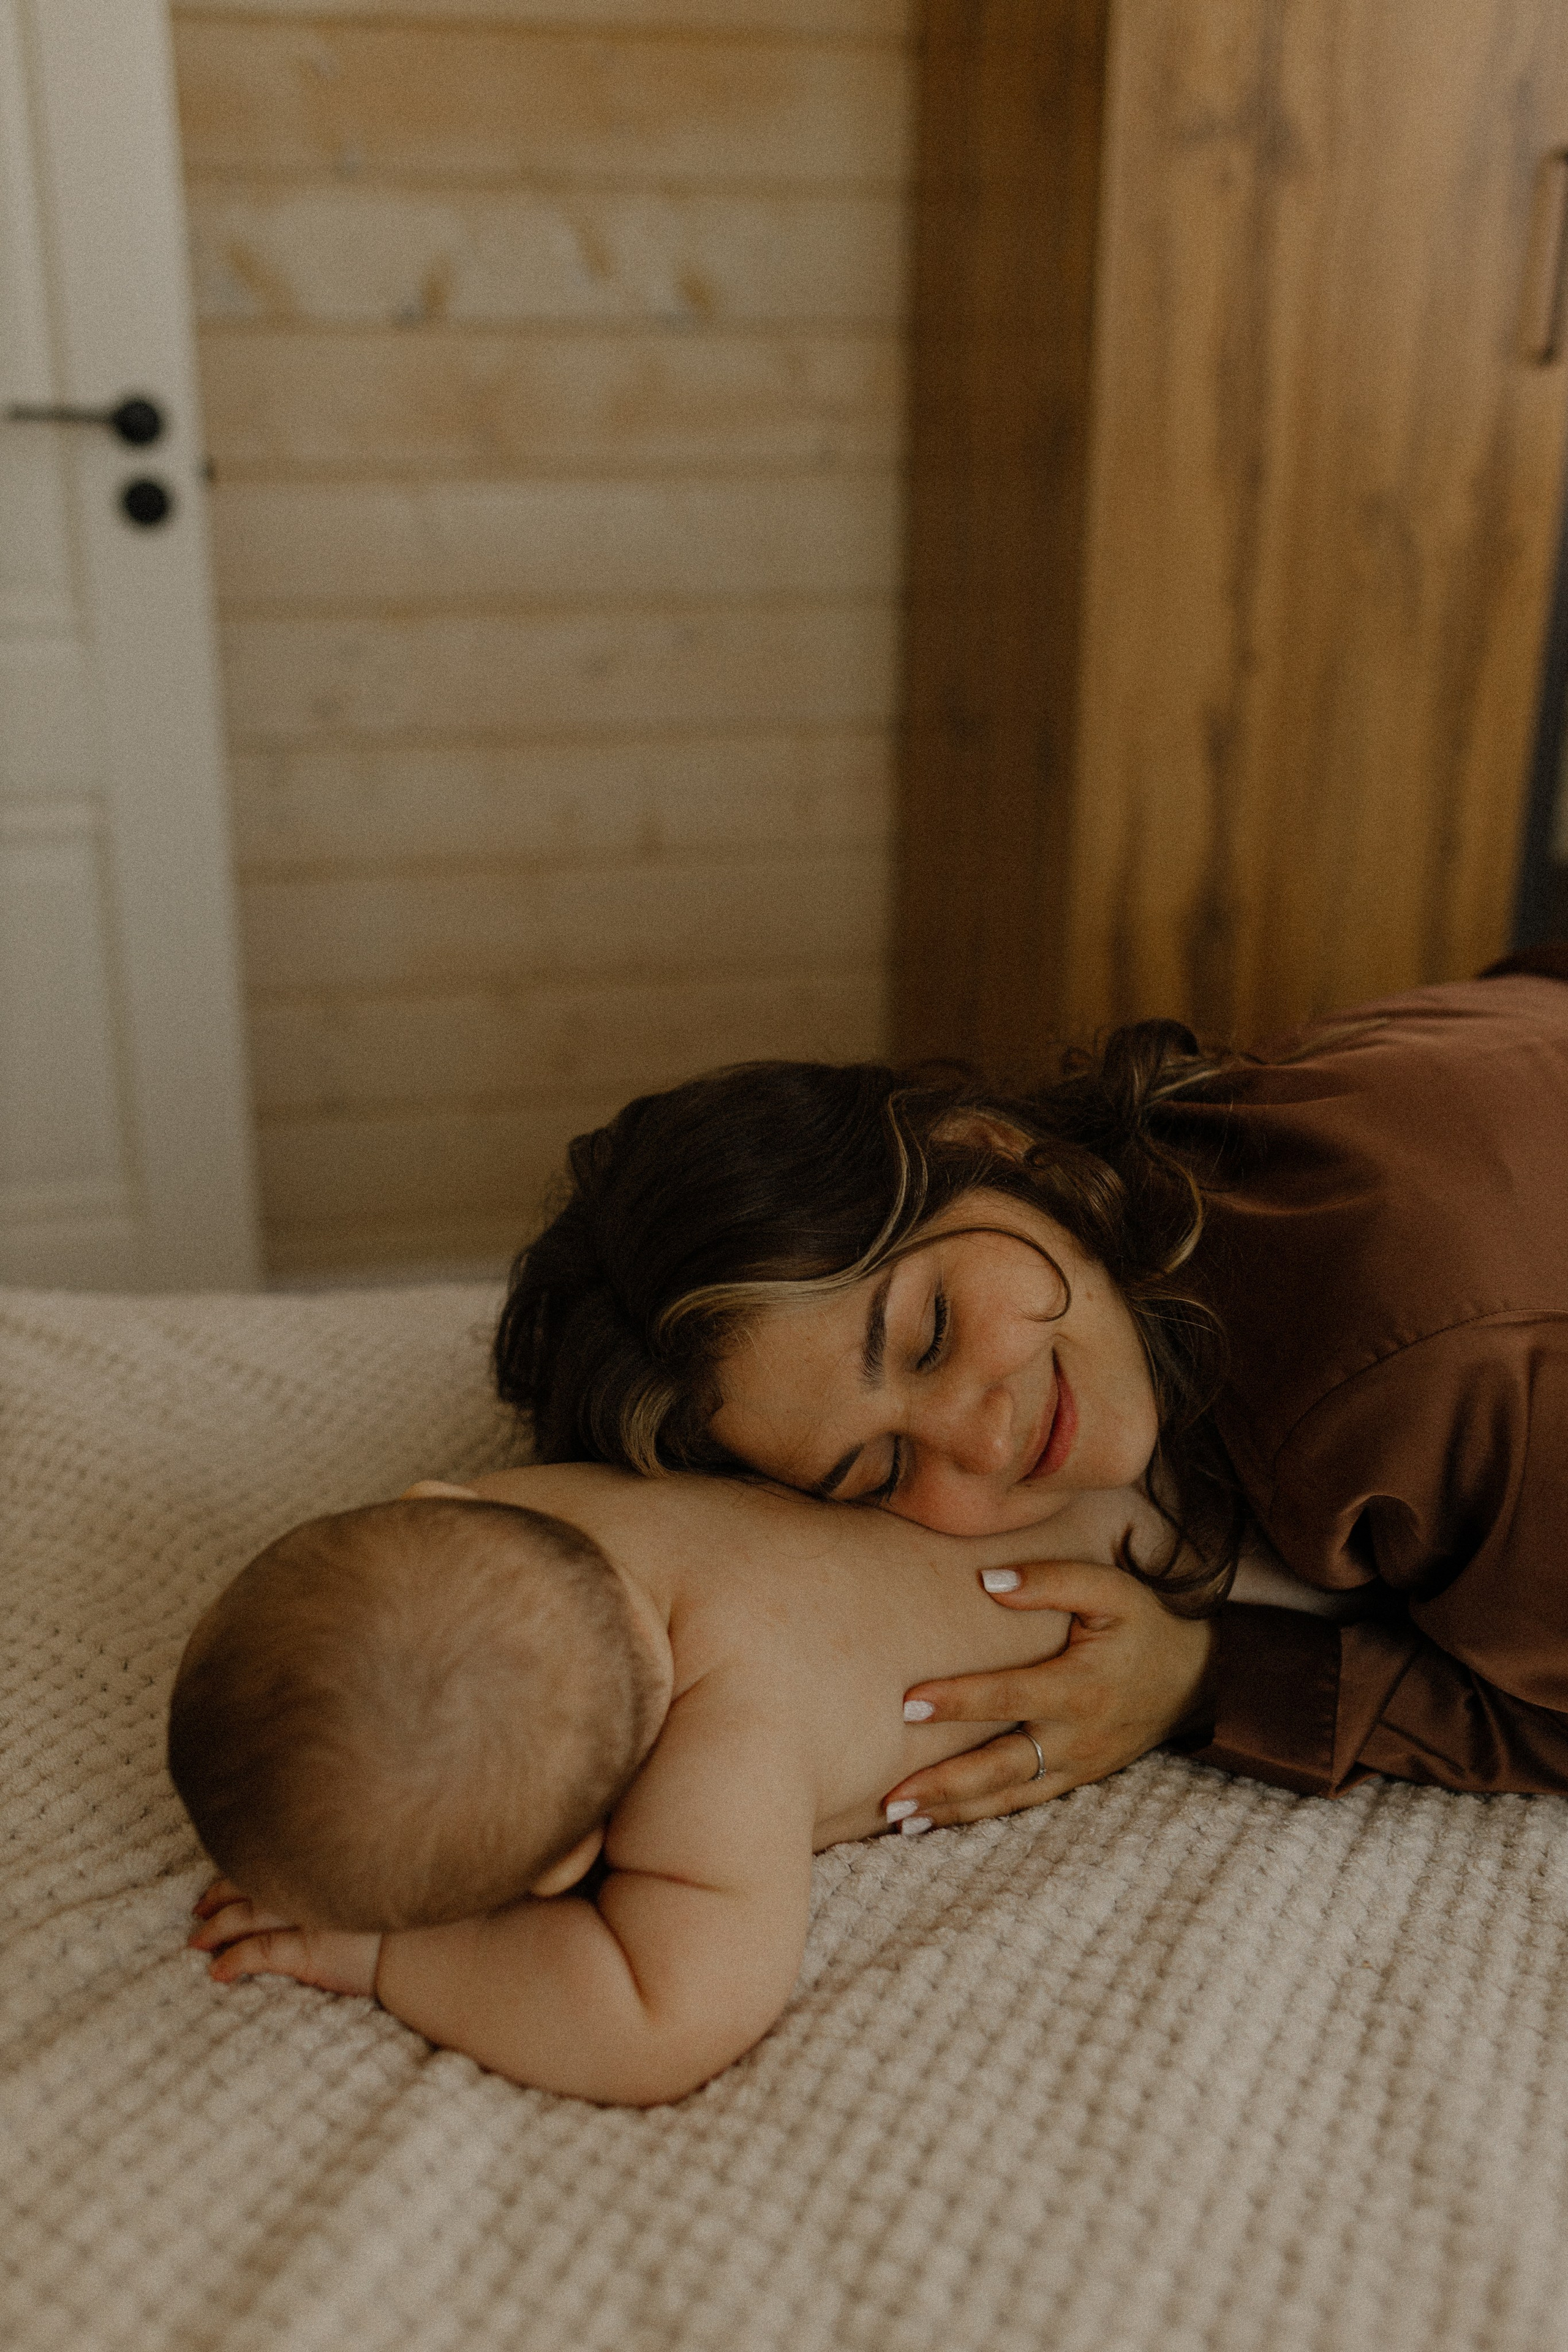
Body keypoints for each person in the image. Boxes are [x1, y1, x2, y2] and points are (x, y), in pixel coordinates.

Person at [492, 953, 1568, 1821]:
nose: (981, 1439)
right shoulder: (1190, 1137)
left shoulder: (1419, 1387)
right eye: (883, 1468)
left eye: (931, 1334)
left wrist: (1211, 1678)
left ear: (988, 1149)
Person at [175, 1466, 1097, 2105]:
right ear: (436, 1498)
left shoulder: (724, 1751)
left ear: (571, 1862)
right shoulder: (526, 1506)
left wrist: (391, 1958)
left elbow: (663, 2020)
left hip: (1131, 1573)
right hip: (1065, 1493)